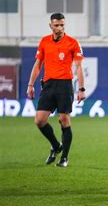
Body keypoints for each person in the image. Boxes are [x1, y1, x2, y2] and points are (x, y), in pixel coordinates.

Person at [26, 12, 86, 167]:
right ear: (50, 25)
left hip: (65, 85)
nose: (59, 28)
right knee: (39, 120)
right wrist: (30, 85)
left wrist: (81, 88)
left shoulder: (73, 43)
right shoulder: (44, 41)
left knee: (64, 119)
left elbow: (79, 67)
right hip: (48, 85)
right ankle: (56, 145)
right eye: (56, 25)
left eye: (62, 25)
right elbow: (38, 64)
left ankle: (64, 157)